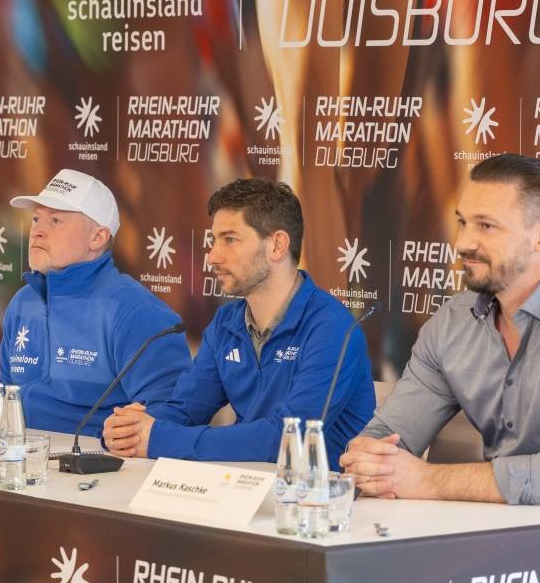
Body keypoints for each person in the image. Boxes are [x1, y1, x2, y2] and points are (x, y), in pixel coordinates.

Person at [341, 154, 540, 507]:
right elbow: (387, 437)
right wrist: (367, 459)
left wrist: (427, 480)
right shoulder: (452, 323)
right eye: (462, 223)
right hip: (492, 538)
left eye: (486, 226)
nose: (462, 243)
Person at [103, 178, 376, 466]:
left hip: (320, 499)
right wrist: (131, 429)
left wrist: (160, 438)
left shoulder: (332, 327)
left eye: (230, 240)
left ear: (277, 245)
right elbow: (185, 409)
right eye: (213, 241)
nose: (211, 256)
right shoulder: (226, 322)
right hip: (245, 488)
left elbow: (289, 438)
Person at [0, 169, 188, 434]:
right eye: (36, 219)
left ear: (97, 237)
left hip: (98, 465)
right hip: (18, 458)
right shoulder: (22, 302)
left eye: (55, 221)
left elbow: (170, 414)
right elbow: (4, 400)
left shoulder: (134, 311)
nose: (37, 232)